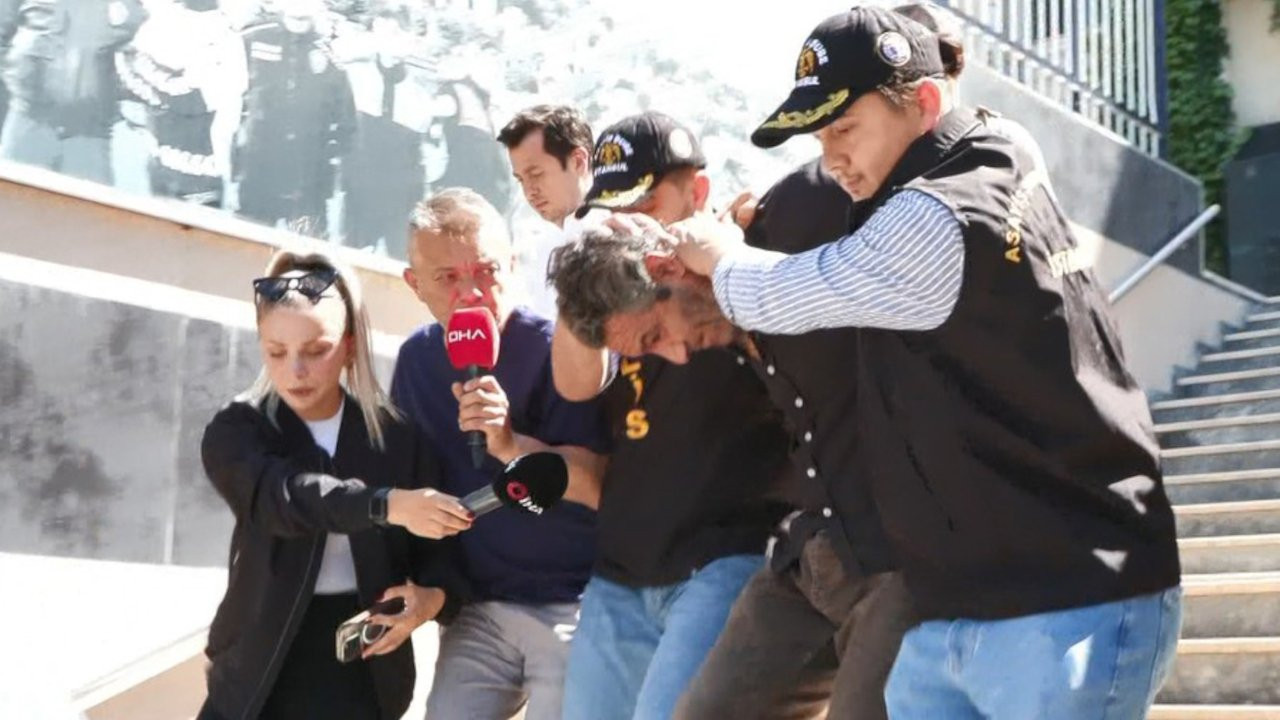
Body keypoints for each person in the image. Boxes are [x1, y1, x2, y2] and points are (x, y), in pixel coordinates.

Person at [561, 7, 1185, 718]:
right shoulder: (972, 163)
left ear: (924, 103)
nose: (831, 158)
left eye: (845, 130)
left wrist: (717, 248)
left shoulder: (935, 213)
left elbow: (787, 289)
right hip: (954, 593)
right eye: (821, 137)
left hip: (1062, 595)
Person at [551, 112, 794, 720]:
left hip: (724, 557)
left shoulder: (749, 264)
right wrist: (593, 264)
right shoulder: (621, 296)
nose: (634, 218)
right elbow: (575, 384)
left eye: (646, 200)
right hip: (622, 569)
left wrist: (726, 260)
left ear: (698, 192)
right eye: (615, 206)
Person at [198, 250, 472, 720]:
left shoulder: (397, 439)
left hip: (361, 667)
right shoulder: (236, 431)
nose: (295, 371)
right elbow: (287, 497)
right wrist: (386, 505)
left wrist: (432, 599)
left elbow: (444, 557)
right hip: (255, 666)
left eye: (315, 350)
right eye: (276, 352)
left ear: (348, 345)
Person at [391, 187, 610, 720]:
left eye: (485, 270)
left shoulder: (559, 349)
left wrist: (510, 444)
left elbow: (598, 485)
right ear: (415, 285)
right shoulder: (416, 361)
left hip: (574, 601)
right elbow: (403, 480)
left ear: (512, 264)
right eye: (448, 278)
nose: (471, 292)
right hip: (478, 606)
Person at [234, 0, 356, 236]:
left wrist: (327, 168)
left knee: (306, 258)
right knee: (249, 246)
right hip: (259, 172)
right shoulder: (252, 39)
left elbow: (346, 124)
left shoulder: (330, 55)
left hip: (307, 182)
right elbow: (229, 101)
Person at [115, 0, 248, 206]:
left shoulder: (227, 35)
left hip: (201, 164)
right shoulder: (159, 26)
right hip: (167, 156)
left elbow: (230, 97)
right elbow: (129, 65)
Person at [0, 0, 145, 184]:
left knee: (87, 210)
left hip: (90, 136)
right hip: (28, 124)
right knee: (13, 206)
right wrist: (20, 79)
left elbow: (144, 46)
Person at [497, 103, 595, 316]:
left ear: (578, 162)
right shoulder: (542, 247)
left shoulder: (618, 237)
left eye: (536, 174)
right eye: (521, 179)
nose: (529, 191)